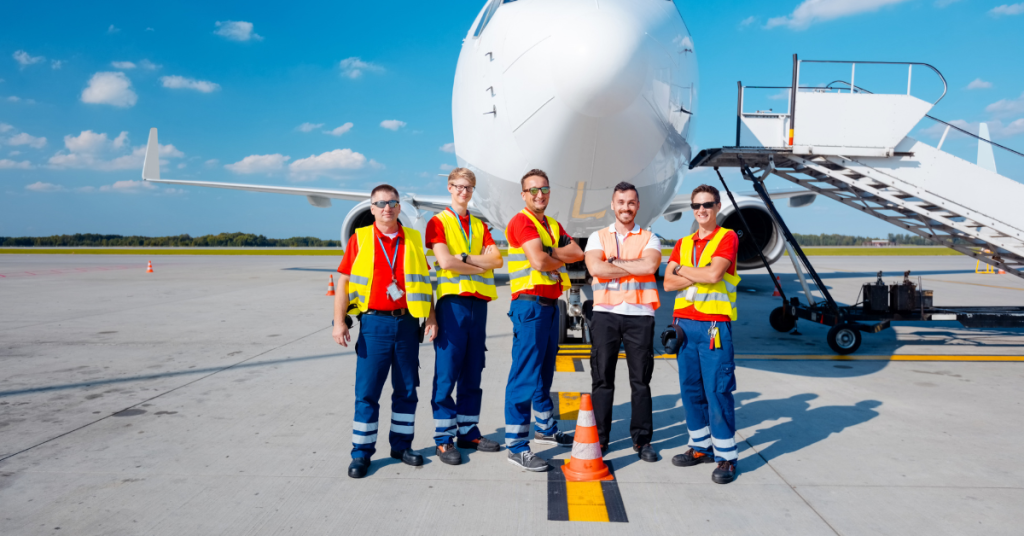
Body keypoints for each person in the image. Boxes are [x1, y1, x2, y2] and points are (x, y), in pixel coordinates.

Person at [332, 184, 438, 479]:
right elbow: (343, 282)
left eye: (392, 202)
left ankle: (401, 446)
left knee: (406, 390)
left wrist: (430, 317)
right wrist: (339, 321)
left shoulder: (414, 239)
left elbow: (423, 282)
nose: (387, 208)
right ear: (372, 208)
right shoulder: (361, 238)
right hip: (374, 323)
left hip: (406, 323)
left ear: (399, 207)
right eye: (380, 203)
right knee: (367, 392)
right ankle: (361, 453)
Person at [503, 169, 584, 471]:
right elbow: (537, 261)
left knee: (544, 371)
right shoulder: (522, 221)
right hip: (529, 305)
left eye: (545, 189)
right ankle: (516, 446)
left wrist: (549, 251)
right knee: (524, 374)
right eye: (533, 189)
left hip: (550, 305)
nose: (540, 194)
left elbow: (577, 252)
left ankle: (545, 428)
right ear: (523, 194)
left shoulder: (551, 224)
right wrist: (551, 256)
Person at [663, 184, 741, 484]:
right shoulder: (683, 242)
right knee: (690, 390)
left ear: (717, 206)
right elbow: (668, 284)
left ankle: (726, 458)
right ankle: (700, 447)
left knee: (717, 391)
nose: (701, 210)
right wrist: (691, 271)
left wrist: (682, 270)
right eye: (696, 205)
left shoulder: (727, 237)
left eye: (707, 204)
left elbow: (714, 275)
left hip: (713, 328)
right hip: (684, 327)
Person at [425, 168, 504, 465]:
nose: (464, 191)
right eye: (458, 186)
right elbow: (444, 261)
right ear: (449, 187)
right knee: (447, 371)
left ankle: (468, 431)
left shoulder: (480, 225)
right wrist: (479, 266)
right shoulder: (438, 222)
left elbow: (497, 259)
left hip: (478, 305)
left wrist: (467, 261)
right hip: (452, 305)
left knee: (474, 369)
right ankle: (443, 439)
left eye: (469, 187)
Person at [582, 181, 661, 462]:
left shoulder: (650, 238)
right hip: (605, 313)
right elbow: (595, 268)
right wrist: (631, 265)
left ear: (637, 206)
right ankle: (600, 439)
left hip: (640, 315)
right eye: (621, 202)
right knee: (602, 379)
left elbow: (650, 266)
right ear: (612, 205)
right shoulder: (597, 237)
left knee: (641, 381)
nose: (626, 207)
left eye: (631, 202)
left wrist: (613, 263)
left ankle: (642, 441)